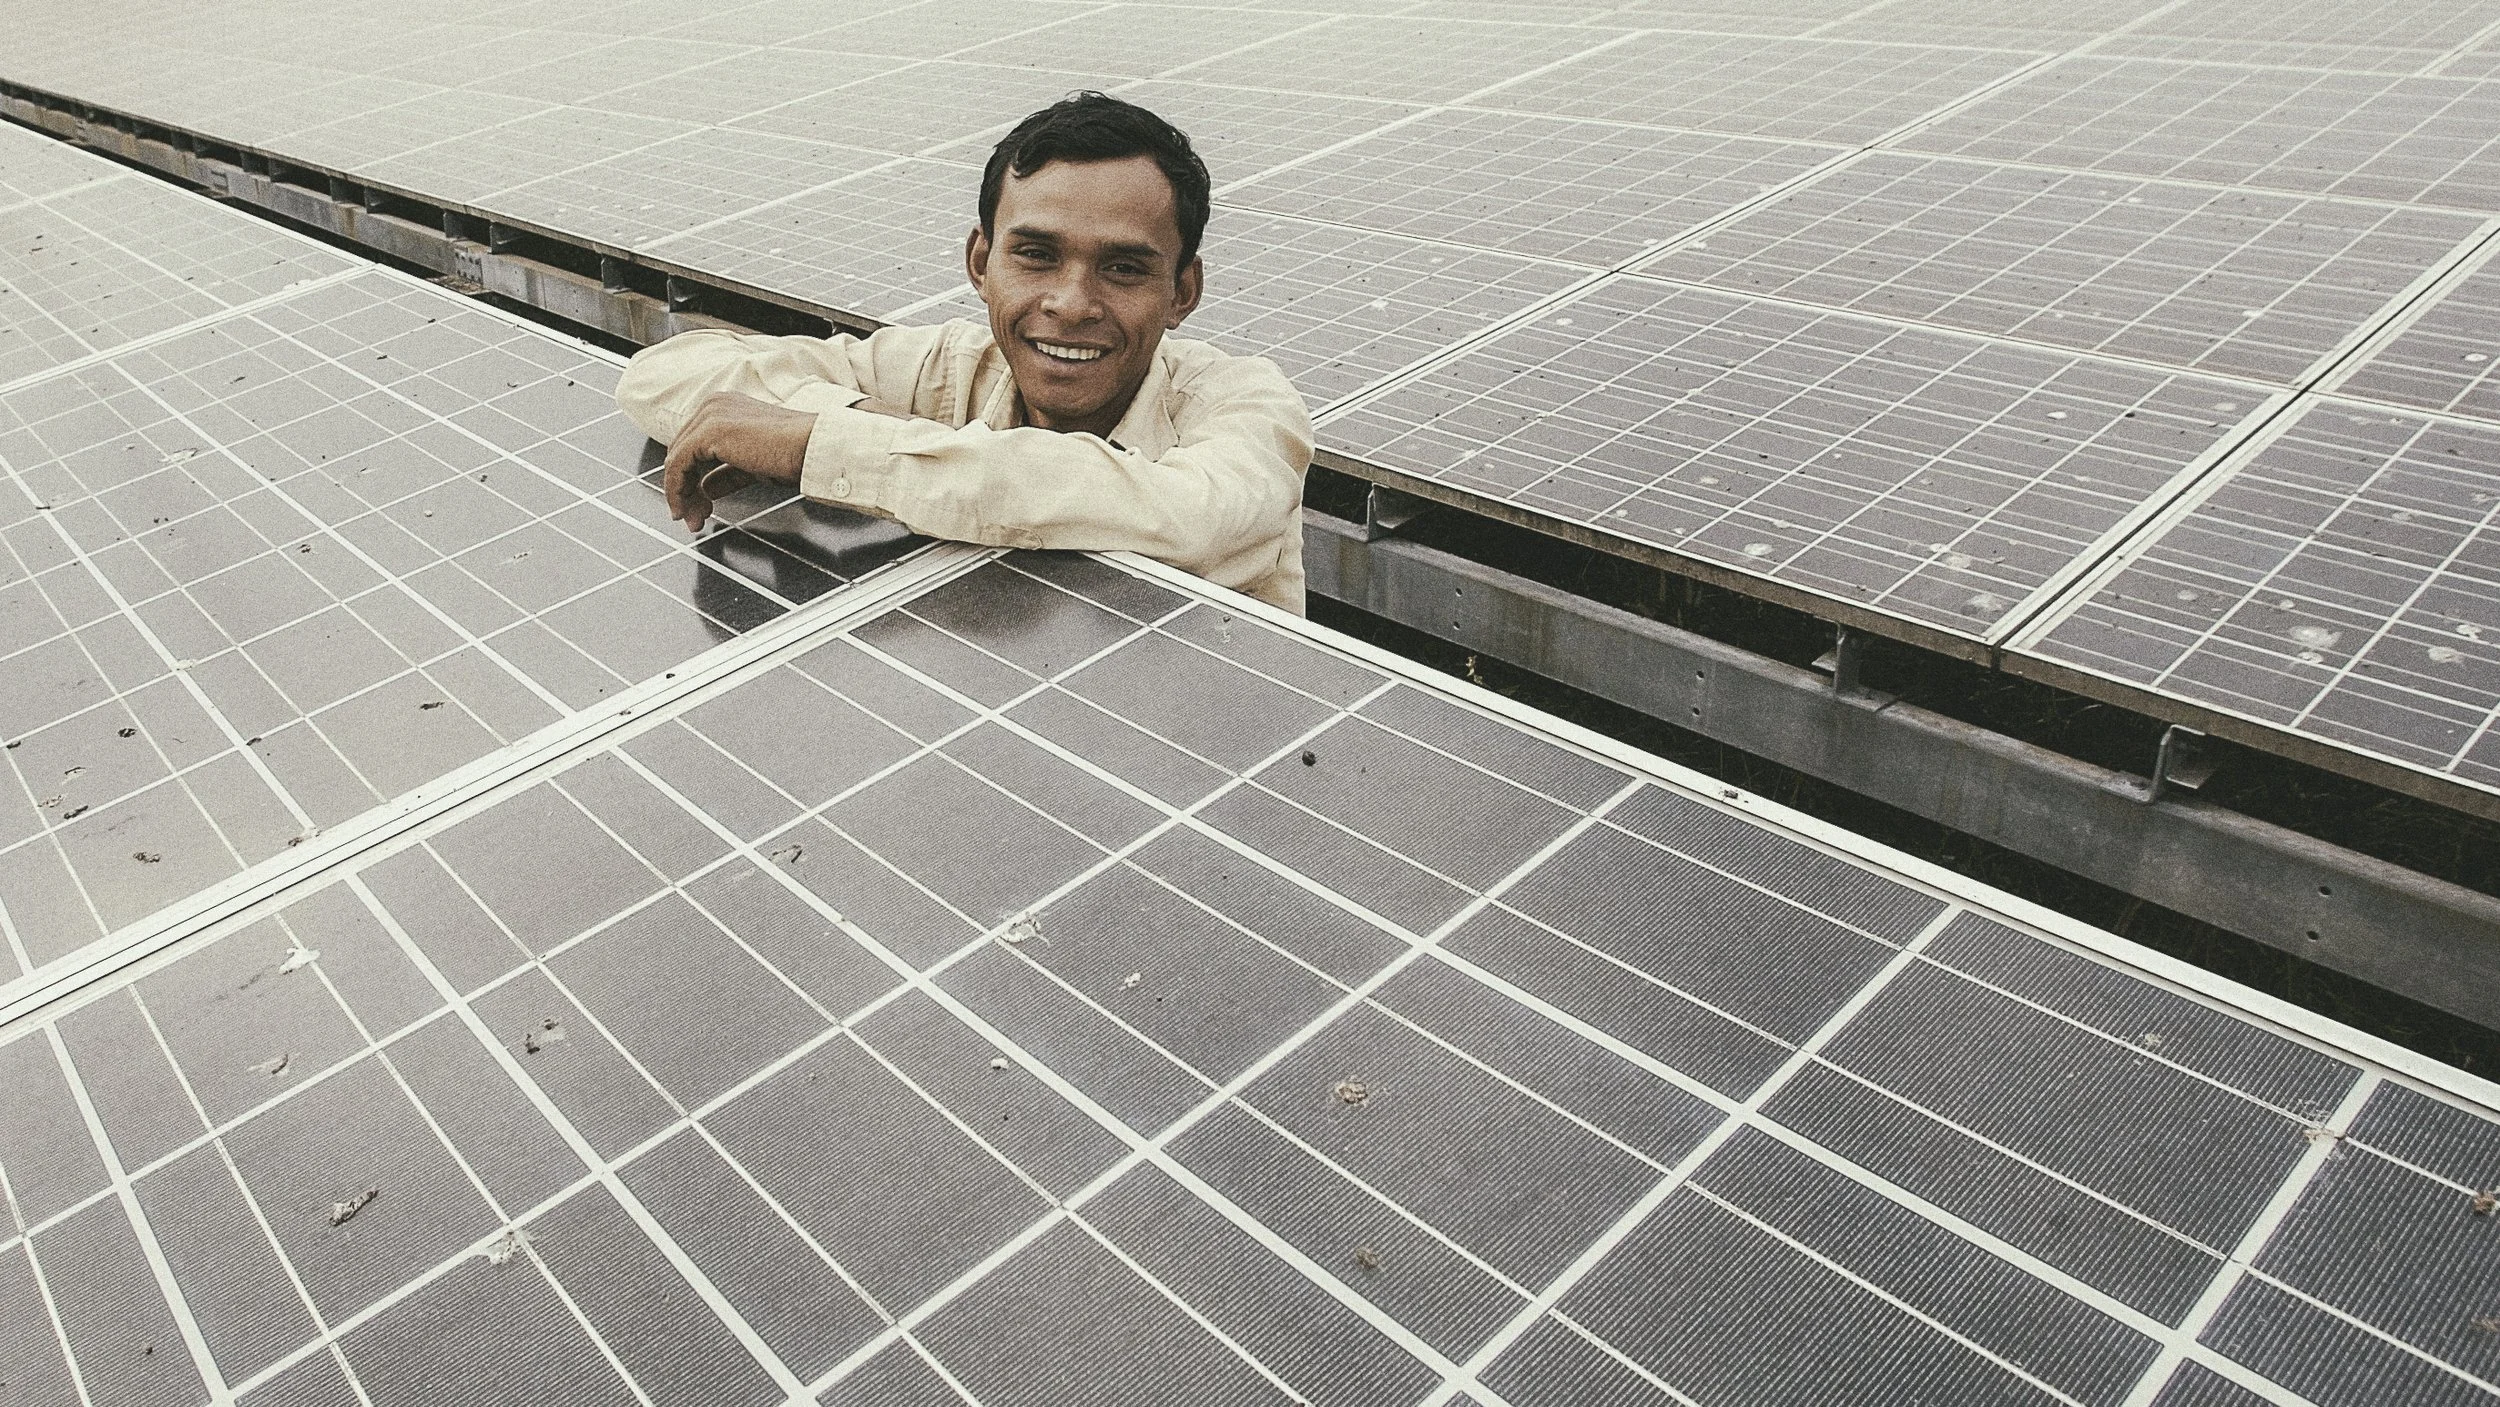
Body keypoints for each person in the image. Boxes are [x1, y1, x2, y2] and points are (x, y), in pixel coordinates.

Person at [613, 92, 1314, 613]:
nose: (1072, 303)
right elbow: (666, 373)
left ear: (1183, 290)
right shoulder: (955, 368)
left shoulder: (1246, 403)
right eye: (1036, 255)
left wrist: (834, 445)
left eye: (1124, 268)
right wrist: (858, 413)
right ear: (980, 263)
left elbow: (1195, 517)